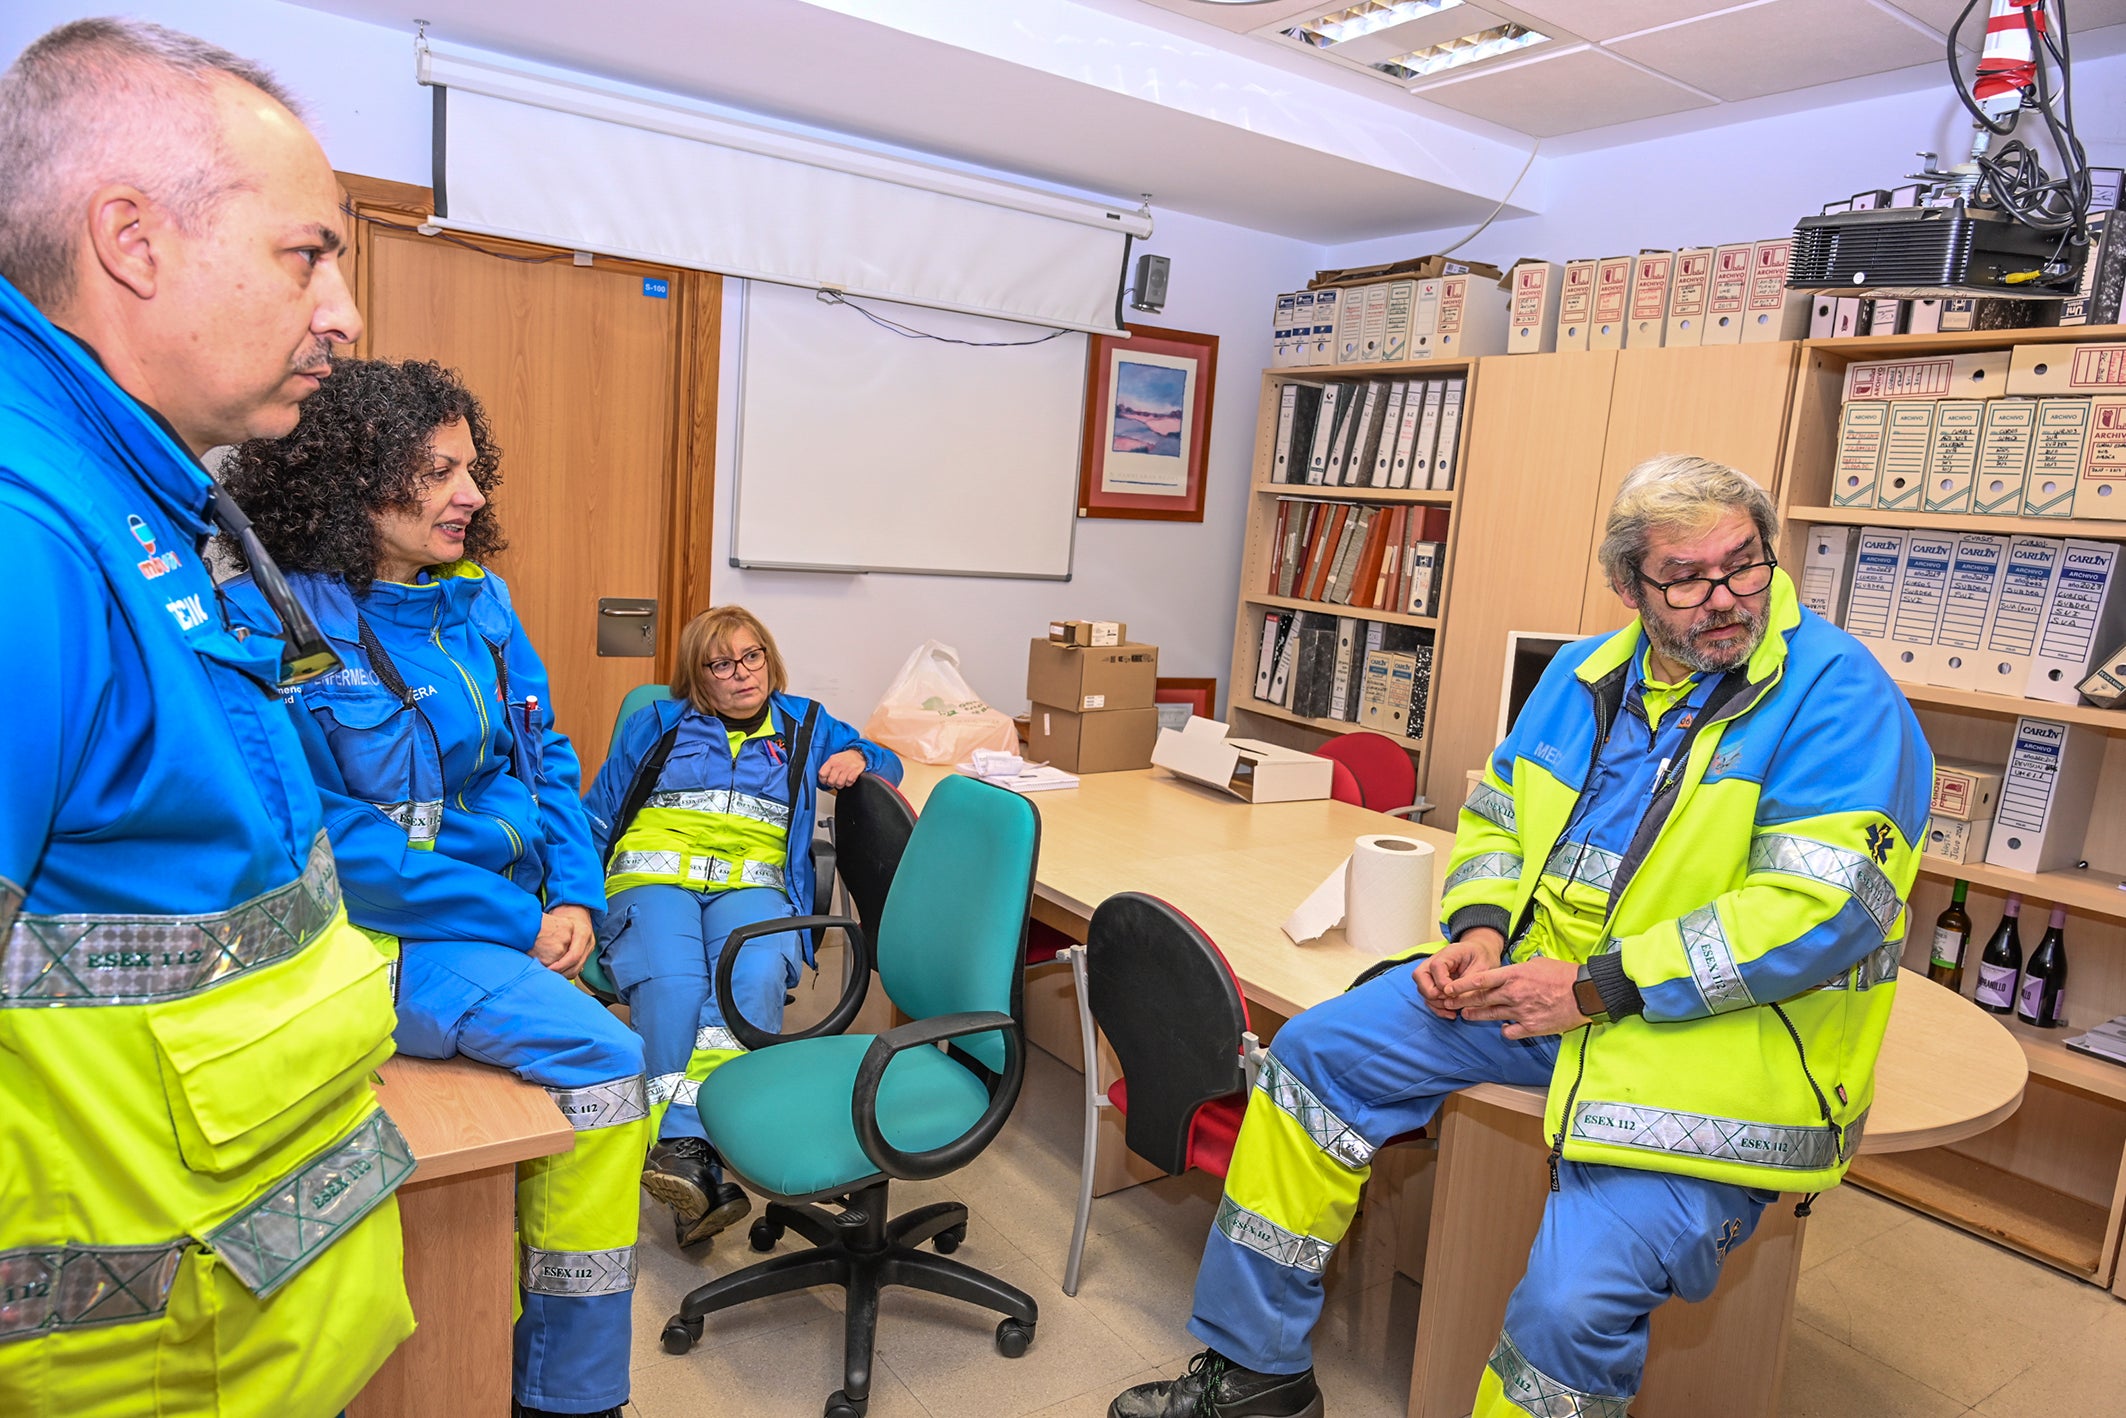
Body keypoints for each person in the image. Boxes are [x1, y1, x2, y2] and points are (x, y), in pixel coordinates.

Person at [1111, 454, 1933, 1418]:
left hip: (1718, 1051)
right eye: (1687, 577)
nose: (1725, 599)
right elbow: (1498, 817)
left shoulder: (1838, 695)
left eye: (1744, 564)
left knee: (1569, 1305)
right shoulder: (1586, 676)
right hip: (1541, 997)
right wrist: (1482, 929)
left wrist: (1592, 988)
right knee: (1311, 1057)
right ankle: (1255, 1372)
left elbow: (1820, 912)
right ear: (1630, 587)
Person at [0, 21, 416, 1416]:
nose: (345, 313)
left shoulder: (153, 488)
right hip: (140, 1357)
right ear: (132, 239)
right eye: (309, 253)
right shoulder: (24, 533)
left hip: (253, 1305)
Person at [219, 357, 647, 1418]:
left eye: (473, 469)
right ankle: (574, 1390)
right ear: (351, 480)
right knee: (610, 1055)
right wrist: (522, 915)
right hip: (386, 933)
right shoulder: (280, 617)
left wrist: (578, 897)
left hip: (508, 913)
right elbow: (336, 843)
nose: (473, 495)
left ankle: (534, 1349)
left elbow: (545, 761)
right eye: (440, 471)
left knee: (586, 1064)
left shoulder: (480, 601)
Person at [583, 606, 902, 1246]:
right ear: (697, 677)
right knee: (673, 985)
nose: (741, 674)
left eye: (751, 657)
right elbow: (596, 814)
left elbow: (885, 761)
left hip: (751, 885)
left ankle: (689, 1157)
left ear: (769, 658)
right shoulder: (656, 723)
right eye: (721, 664)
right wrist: (567, 904)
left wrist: (859, 758)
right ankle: (689, 1148)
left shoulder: (805, 724)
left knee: (749, 980)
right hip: (653, 881)